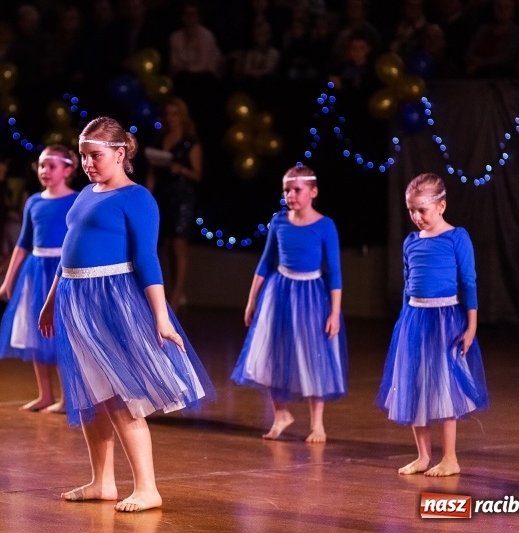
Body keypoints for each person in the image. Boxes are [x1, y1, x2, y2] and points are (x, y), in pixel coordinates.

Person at [38, 116, 215, 513]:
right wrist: (52, 299)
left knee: (118, 396)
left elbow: (147, 260)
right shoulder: (85, 193)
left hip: (111, 300)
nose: (87, 163)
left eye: (95, 155)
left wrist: (161, 316)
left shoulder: (137, 199)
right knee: (91, 397)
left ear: (120, 154)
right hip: (74, 296)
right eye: (83, 156)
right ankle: (102, 482)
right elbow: (68, 253)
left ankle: (147, 487)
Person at [376, 172, 489, 477]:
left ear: (441, 206)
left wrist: (471, 326)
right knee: (413, 385)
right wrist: (403, 323)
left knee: (443, 387)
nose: (415, 217)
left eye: (421, 210)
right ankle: (423, 455)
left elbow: (469, 282)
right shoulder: (411, 242)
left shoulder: (456, 237)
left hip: (446, 320)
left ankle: (450, 457)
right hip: (414, 319)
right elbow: (408, 286)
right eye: (411, 210)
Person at [232, 165, 347, 443]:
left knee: (313, 357)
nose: (291, 195)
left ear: (313, 191)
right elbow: (264, 263)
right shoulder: (279, 222)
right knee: (272, 353)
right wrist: (251, 301)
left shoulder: (324, 225)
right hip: (279, 291)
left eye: (297, 190)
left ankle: (317, 424)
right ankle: (280, 413)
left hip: (311, 294)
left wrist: (333, 311)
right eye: (286, 190)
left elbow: (334, 272)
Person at [0, 145, 78, 413]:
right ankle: (45, 395)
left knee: (63, 335)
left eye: (51, 166)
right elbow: (22, 243)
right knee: (36, 333)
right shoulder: (33, 202)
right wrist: (8, 280)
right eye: (41, 166)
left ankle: (67, 398)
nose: (45, 171)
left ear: (67, 169)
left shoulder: (76, 201)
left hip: (62, 272)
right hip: (36, 269)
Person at [145, 97, 202, 312]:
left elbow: (197, 174)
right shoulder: (159, 139)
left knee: (178, 245)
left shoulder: (190, 141)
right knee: (166, 245)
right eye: (167, 114)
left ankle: (177, 296)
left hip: (182, 197)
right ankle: (168, 290)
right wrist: (147, 198)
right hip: (162, 195)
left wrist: (181, 169)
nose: (171, 118)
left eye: (175, 114)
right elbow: (151, 171)